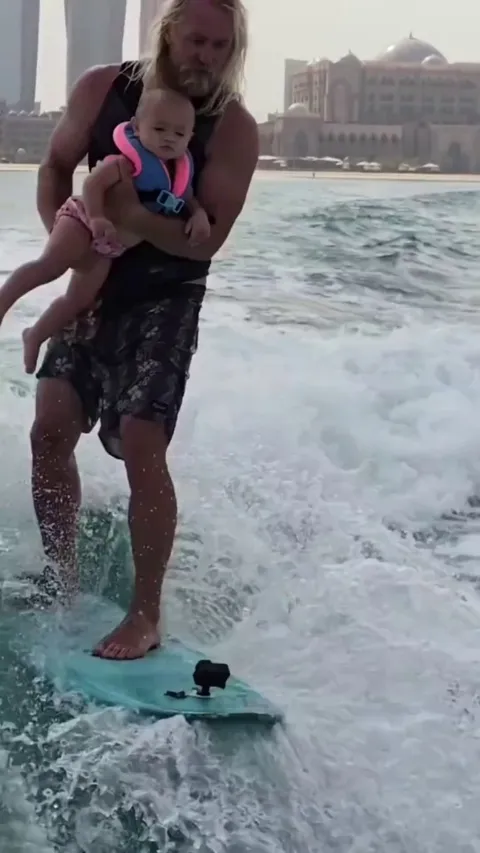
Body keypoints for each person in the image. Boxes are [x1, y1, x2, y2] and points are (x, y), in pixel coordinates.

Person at [28, 0, 258, 660]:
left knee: (140, 440)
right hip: (94, 277)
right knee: (49, 429)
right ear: (169, 34)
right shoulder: (103, 88)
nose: (205, 56)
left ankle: (145, 613)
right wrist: (72, 240)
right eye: (195, 41)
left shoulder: (233, 129)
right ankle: (61, 580)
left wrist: (125, 214)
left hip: (166, 294)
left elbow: (202, 244)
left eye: (220, 46)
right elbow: (53, 169)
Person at [0, 87, 211, 375]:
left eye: (178, 133)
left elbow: (188, 201)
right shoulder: (125, 163)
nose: (168, 138)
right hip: (83, 220)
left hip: (111, 247)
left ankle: (35, 334)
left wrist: (198, 215)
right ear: (137, 128)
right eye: (159, 128)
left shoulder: (178, 176)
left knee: (78, 299)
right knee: (50, 266)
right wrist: (97, 217)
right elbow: (91, 185)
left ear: (189, 137)